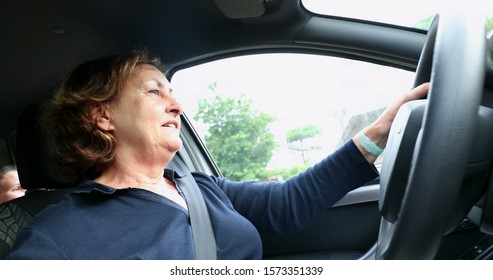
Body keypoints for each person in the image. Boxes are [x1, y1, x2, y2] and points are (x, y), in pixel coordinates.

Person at [7, 51, 429, 259]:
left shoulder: (201, 187)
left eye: (173, 93)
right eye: (155, 91)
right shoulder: (54, 240)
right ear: (102, 116)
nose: (177, 106)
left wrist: (380, 131)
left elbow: (289, 205)